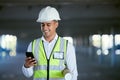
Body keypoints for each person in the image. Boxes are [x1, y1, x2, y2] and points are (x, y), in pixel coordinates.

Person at [22, 6, 78, 80]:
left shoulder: (67, 46)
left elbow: (73, 73)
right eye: (42, 25)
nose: (45, 28)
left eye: (48, 24)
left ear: (56, 24)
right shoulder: (33, 45)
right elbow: (28, 74)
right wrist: (26, 66)